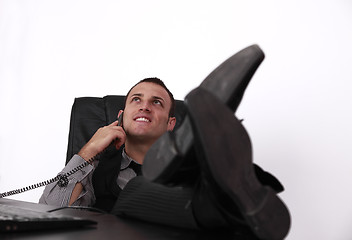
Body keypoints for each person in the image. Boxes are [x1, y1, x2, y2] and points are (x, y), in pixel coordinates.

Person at [40, 45, 291, 239]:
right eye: (136, 100)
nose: (145, 106)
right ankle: (218, 192)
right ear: (120, 117)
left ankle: (218, 188)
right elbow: (50, 212)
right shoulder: (96, 167)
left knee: (223, 212)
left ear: (171, 124)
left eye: (156, 102)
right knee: (135, 191)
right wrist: (88, 152)